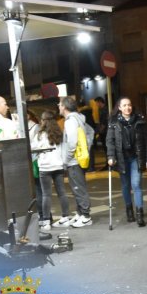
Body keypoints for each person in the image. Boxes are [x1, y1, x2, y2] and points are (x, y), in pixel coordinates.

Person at [106, 97, 147, 227]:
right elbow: (110, 141)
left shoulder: (139, 121)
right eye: (125, 105)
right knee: (126, 186)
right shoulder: (114, 123)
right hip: (122, 158)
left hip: (135, 158)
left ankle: (139, 214)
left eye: (129, 105)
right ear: (119, 108)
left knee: (136, 184)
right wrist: (111, 156)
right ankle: (129, 211)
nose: (128, 107)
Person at [55, 96, 93, 228]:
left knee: (78, 188)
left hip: (74, 160)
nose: (58, 107)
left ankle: (86, 216)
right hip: (79, 158)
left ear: (64, 107)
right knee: (78, 186)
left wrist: (66, 158)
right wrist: (87, 148)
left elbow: (72, 143)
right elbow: (91, 132)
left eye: (59, 104)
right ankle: (80, 213)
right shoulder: (79, 118)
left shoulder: (70, 121)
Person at [31, 110, 71, 230]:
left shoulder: (40, 134)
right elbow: (64, 149)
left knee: (46, 195)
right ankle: (66, 218)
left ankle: (46, 221)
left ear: (43, 121)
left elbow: (33, 147)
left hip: (45, 167)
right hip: (58, 166)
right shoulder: (59, 133)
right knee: (62, 193)